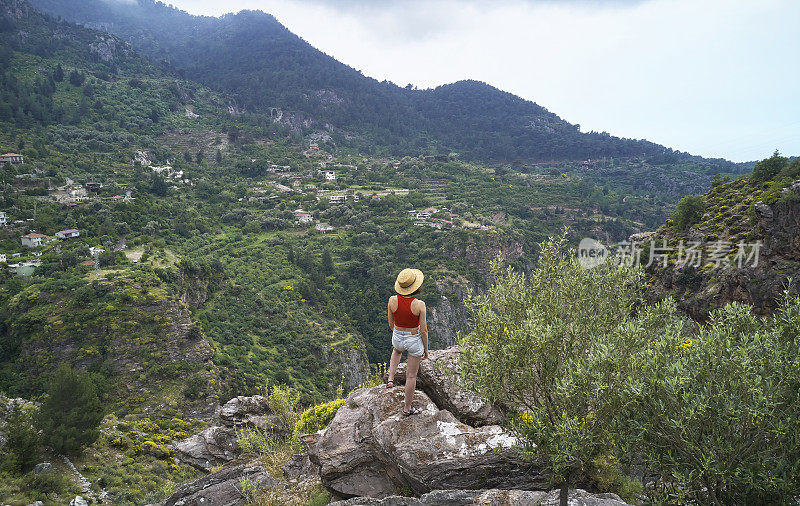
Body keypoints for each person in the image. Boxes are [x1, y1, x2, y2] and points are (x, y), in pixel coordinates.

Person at [386, 268, 429, 416]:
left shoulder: (392, 300)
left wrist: (398, 332)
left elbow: (391, 323)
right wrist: (426, 349)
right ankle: (407, 408)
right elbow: (424, 330)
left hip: (397, 336)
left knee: (396, 351)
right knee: (411, 376)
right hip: (413, 339)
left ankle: (390, 379)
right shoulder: (419, 305)